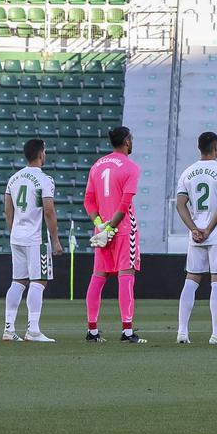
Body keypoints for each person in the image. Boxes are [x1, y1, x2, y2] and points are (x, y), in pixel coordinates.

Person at [174, 131, 217, 345]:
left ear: (199, 148)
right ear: (216, 148)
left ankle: (182, 332)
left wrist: (194, 228)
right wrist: (209, 229)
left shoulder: (187, 173)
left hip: (196, 235)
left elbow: (180, 204)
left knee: (191, 280)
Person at [83, 126, 146, 344]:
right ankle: (127, 331)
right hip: (123, 229)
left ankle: (92, 330)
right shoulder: (131, 167)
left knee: (98, 277)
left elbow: (88, 200)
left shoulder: (97, 166)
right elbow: (125, 202)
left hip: (102, 231)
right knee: (126, 276)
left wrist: (100, 225)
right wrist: (111, 228)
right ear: (127, 141)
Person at [2, 137, 60, 342]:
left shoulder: (14, 178)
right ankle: (33, 329)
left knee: (17, 281)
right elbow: (49, 211)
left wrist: (14, 232)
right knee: (38, 281)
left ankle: (8, 328)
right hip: (36, 238)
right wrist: (55, 239)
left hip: (17, 236)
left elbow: (8, 210)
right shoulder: (45, 180)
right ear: (41, 153)